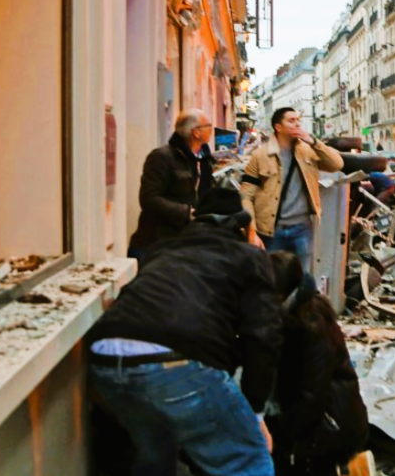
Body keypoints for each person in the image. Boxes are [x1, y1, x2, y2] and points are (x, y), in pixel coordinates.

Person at [87, 187, 283, 476]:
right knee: (248, 461)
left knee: (156, 456)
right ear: (244, 228)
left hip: (104, 358)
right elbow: (263, 336)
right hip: (175, 362)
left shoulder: (163, 250)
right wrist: (255, 413)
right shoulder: (249, 256)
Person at [266, 252, 369, 476]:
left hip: (332, 423)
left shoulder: (312, 325)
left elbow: (311, 396)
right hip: (318, 417)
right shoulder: (292, 313)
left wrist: (279, 437)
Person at [240, 107, 344, 271]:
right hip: (270, 230)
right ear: (278, 127)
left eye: (298, 120)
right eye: (291, 120)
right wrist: (251, 231)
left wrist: (313, 141)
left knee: (303, 277)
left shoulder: (308, 151)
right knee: (270, 277)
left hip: (301, 228)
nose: (297, 124)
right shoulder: (260, 155)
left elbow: (336, 164)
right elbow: (246, 195)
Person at [128, 109, 216, 260]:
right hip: (156, 244)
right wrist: (187, 213)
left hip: (187, 242)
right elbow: (149, 198)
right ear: (196, 133)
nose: (211, 130)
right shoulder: (162, 157)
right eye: (208, 126)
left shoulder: (203, 160)